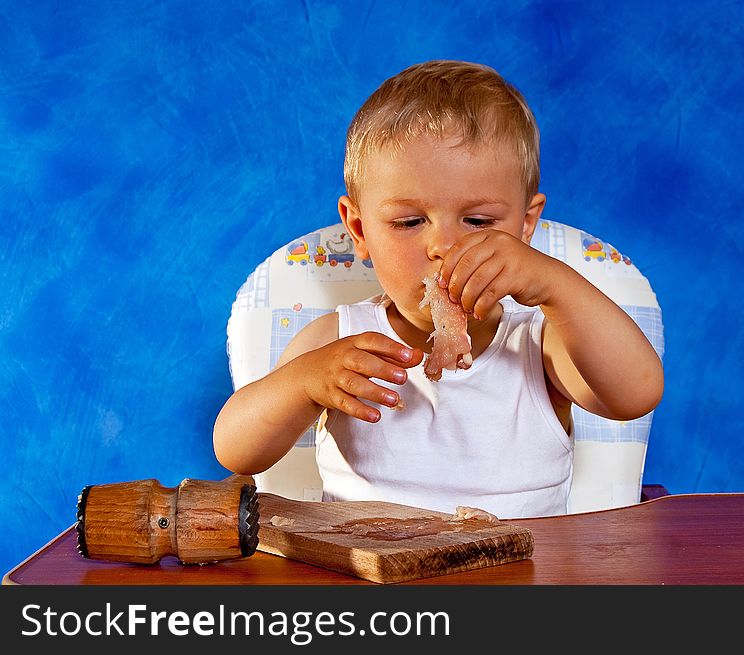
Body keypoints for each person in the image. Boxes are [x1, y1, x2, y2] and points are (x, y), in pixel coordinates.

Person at [213, 60, 664, 518]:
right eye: (409, 222)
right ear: (360, 229)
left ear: (525, 227)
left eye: (478, 221)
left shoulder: (541, 344)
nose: (444, 246)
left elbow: (636, 394)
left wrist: (553, 283)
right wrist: (304, 383)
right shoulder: (339, 341)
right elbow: (237, 452)